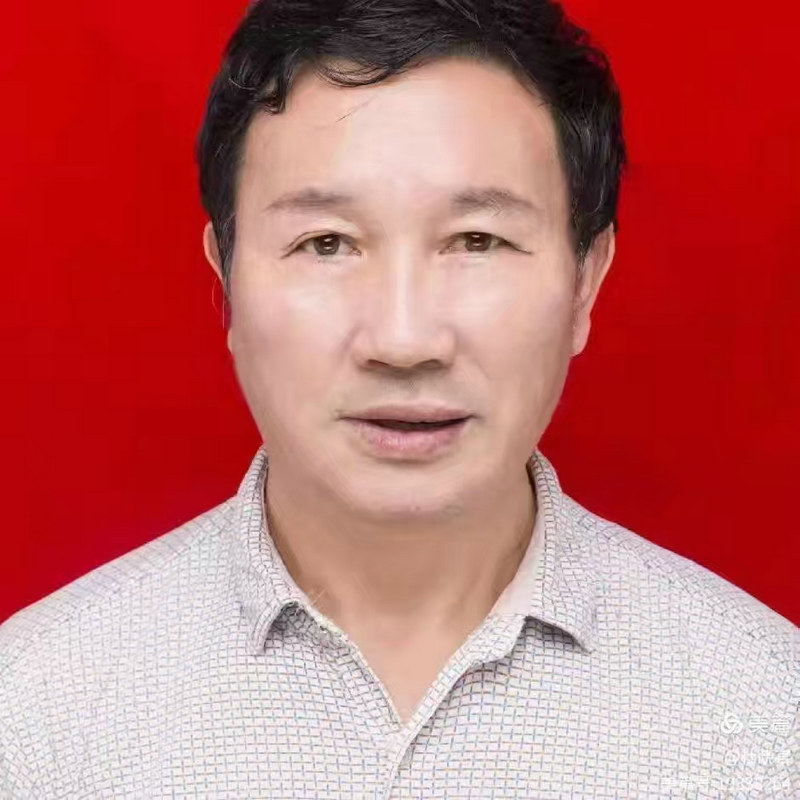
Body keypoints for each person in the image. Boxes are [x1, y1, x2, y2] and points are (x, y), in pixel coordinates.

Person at [1, 0, 797, 796]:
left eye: (477, 240)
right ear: (226, 280)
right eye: (327, 243)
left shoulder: (767, 718)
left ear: (586, 280)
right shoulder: (33, 714)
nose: (404, 339)